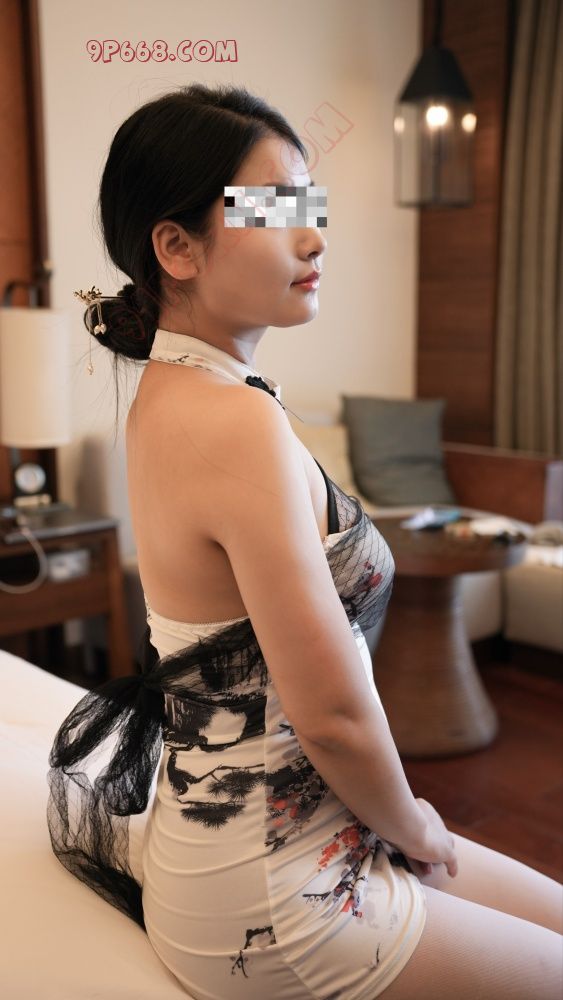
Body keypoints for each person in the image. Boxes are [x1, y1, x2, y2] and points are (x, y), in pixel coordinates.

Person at [47, 83, 563, 999]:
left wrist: (402, 825)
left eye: (309, 206)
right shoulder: (228, 420)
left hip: (259, 843)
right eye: (274, 210)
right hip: (275, 900)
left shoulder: (179, 392)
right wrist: (415, 826)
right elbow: (328, 714)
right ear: (176, 248)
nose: (315, 237)